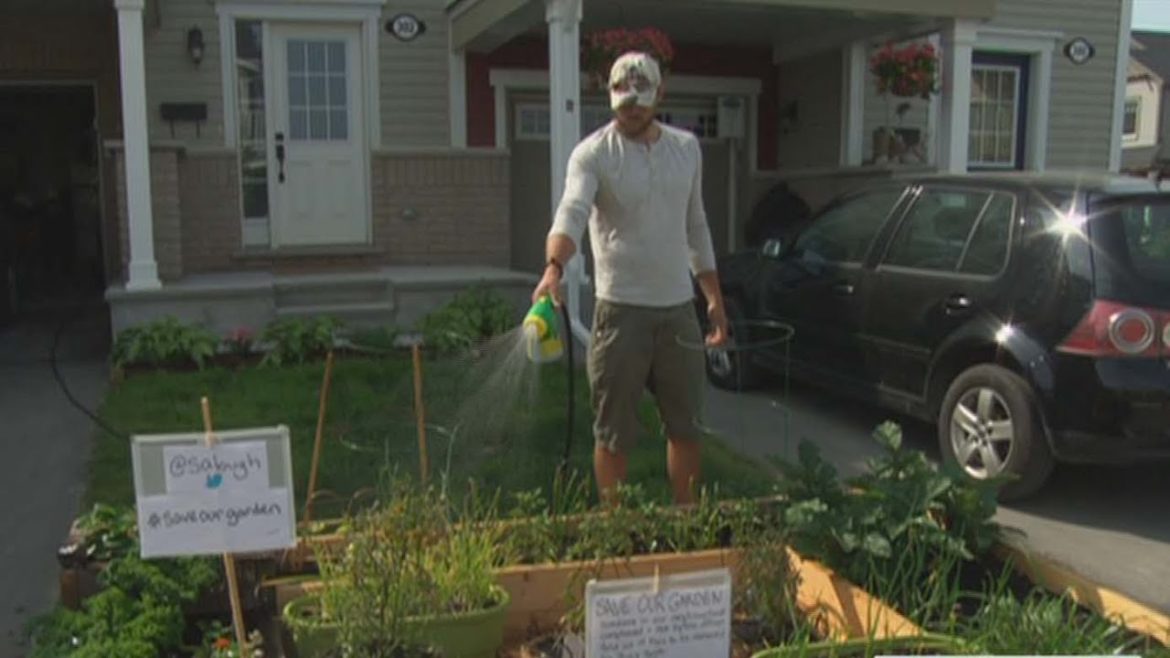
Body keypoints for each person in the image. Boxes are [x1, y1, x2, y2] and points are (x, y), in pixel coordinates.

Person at [531, 51, 729, 506]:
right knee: (613, 434)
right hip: (620, 314)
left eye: (640, 100)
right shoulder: (593, 154)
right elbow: (572, 211)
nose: (632, 109)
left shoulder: (686, 149)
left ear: (660, 94)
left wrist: (713, 297)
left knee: (686, 428)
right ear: (610, 96)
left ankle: (686, 520)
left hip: (678, 311)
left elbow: (696, 224)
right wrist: (554, 267)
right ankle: (615, 527)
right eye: (623, 99)